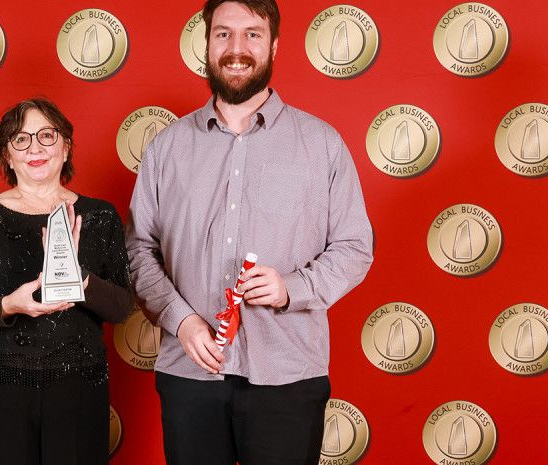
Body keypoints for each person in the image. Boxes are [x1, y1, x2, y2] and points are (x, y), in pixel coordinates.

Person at [125, 1, 374, 464]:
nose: (236, 49)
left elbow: (355, 247)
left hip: (288, 373)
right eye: (223, 34)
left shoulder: (322, 144)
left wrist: (290, 289)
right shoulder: (167, 148)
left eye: (252, 35)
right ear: (206, 43)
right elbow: (138, 250)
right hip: (190, 373)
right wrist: (180, 320)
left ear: (274, 45)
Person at [0, 98, 133, 465]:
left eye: (47, 136)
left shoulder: (99, 216)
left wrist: (76, 276)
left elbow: (123, 307)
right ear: (6, 154)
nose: (35, 147)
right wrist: (9, 305)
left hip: (79, 391)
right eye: (21, 139)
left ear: (65, 147)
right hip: (2, 392)